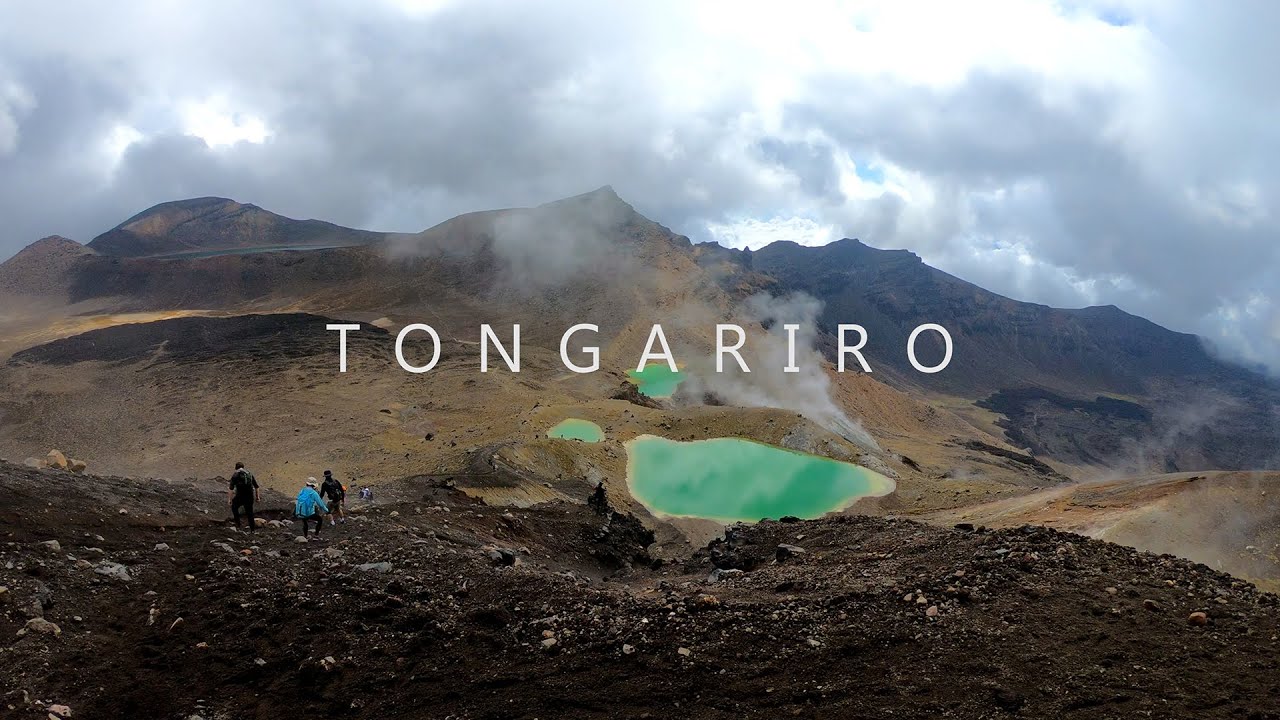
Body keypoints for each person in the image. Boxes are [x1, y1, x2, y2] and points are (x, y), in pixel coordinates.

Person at [227, 462, 260, 533]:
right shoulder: (249, 474)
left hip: (240, 496)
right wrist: (257, 497)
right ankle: (252, 530)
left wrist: (230, 499)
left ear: (236, 468)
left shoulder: (236, 474)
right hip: (249, 496)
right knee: (250, 512)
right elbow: (256, 487)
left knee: (234, 507)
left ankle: (238, 525)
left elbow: (231, 489)